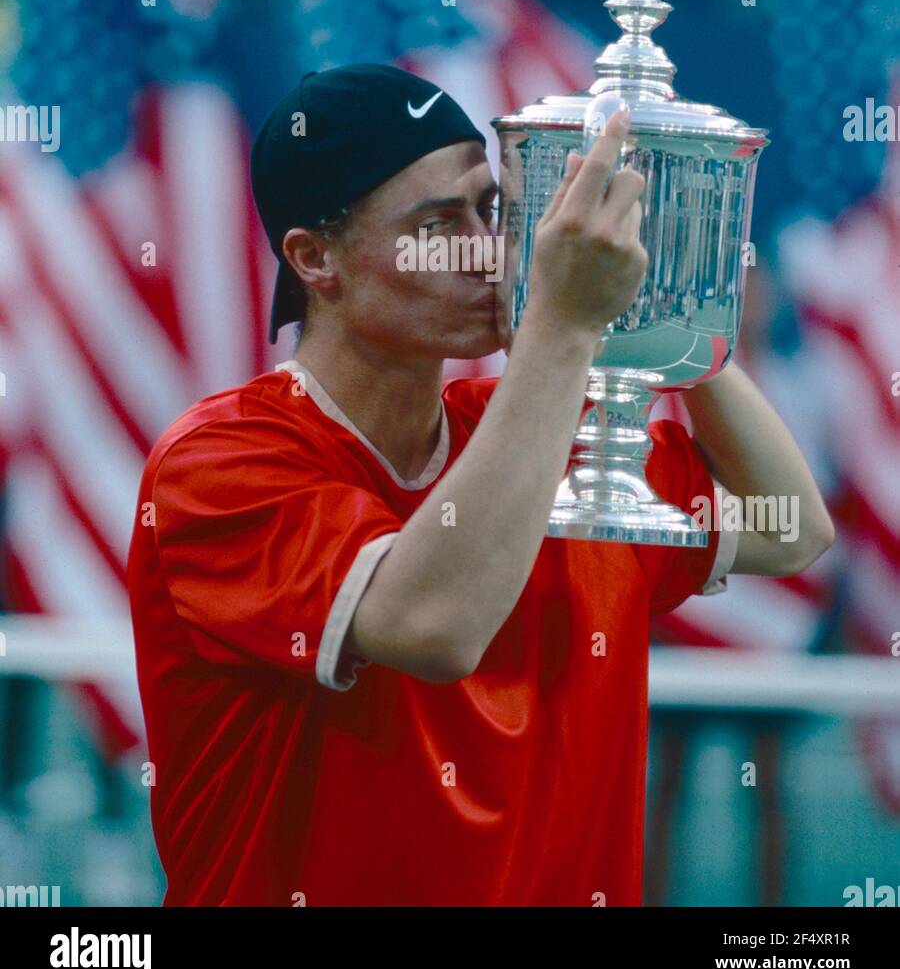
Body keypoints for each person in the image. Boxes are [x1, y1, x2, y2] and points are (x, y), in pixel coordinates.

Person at [127, 62, 835, 907]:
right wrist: (565, 327)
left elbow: (790, 529)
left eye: (492, 210)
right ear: (316, 259)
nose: (490, 250)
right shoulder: (220, 462)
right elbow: (433, 624)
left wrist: (663, 317)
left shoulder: (528, 421)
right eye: (438, 222)